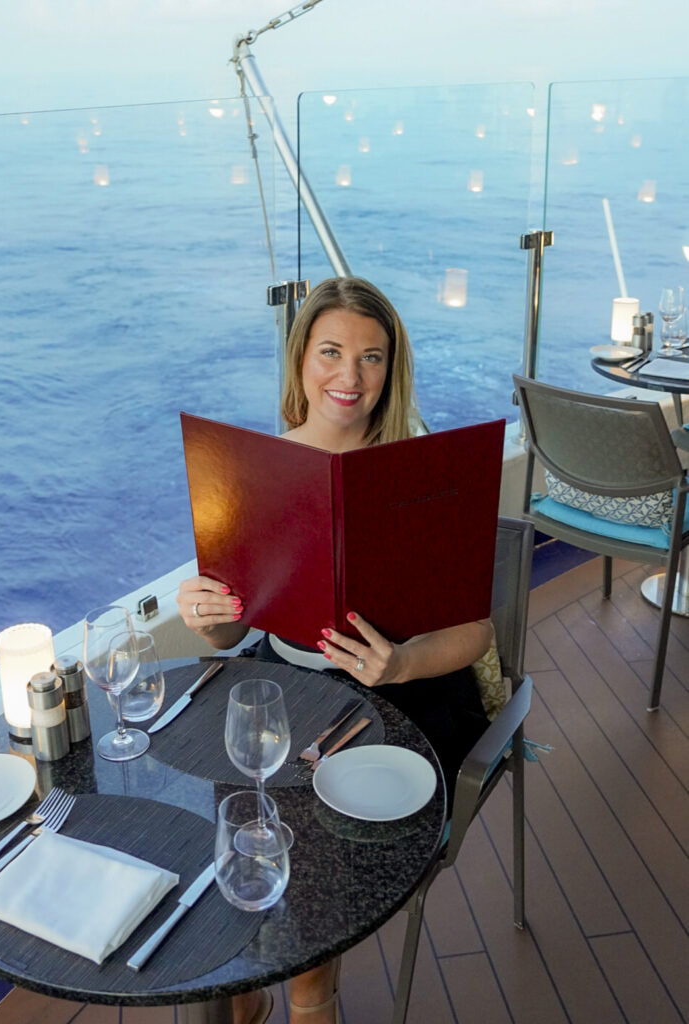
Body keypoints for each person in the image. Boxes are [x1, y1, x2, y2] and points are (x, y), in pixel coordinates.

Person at [176, 276, 494, 1024]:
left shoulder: (424, 474)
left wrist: (402, 663)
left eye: (371, 357)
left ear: (392, 368)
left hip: (403, 695)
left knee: (321, 854)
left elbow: (476, 632)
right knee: (233, 814)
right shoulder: (255, 469)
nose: (349, 376)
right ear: (300, 359)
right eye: (330, 352)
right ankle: (246, 992)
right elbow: (232, 629)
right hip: (286, 684)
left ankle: (310, 993)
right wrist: (207, 616)